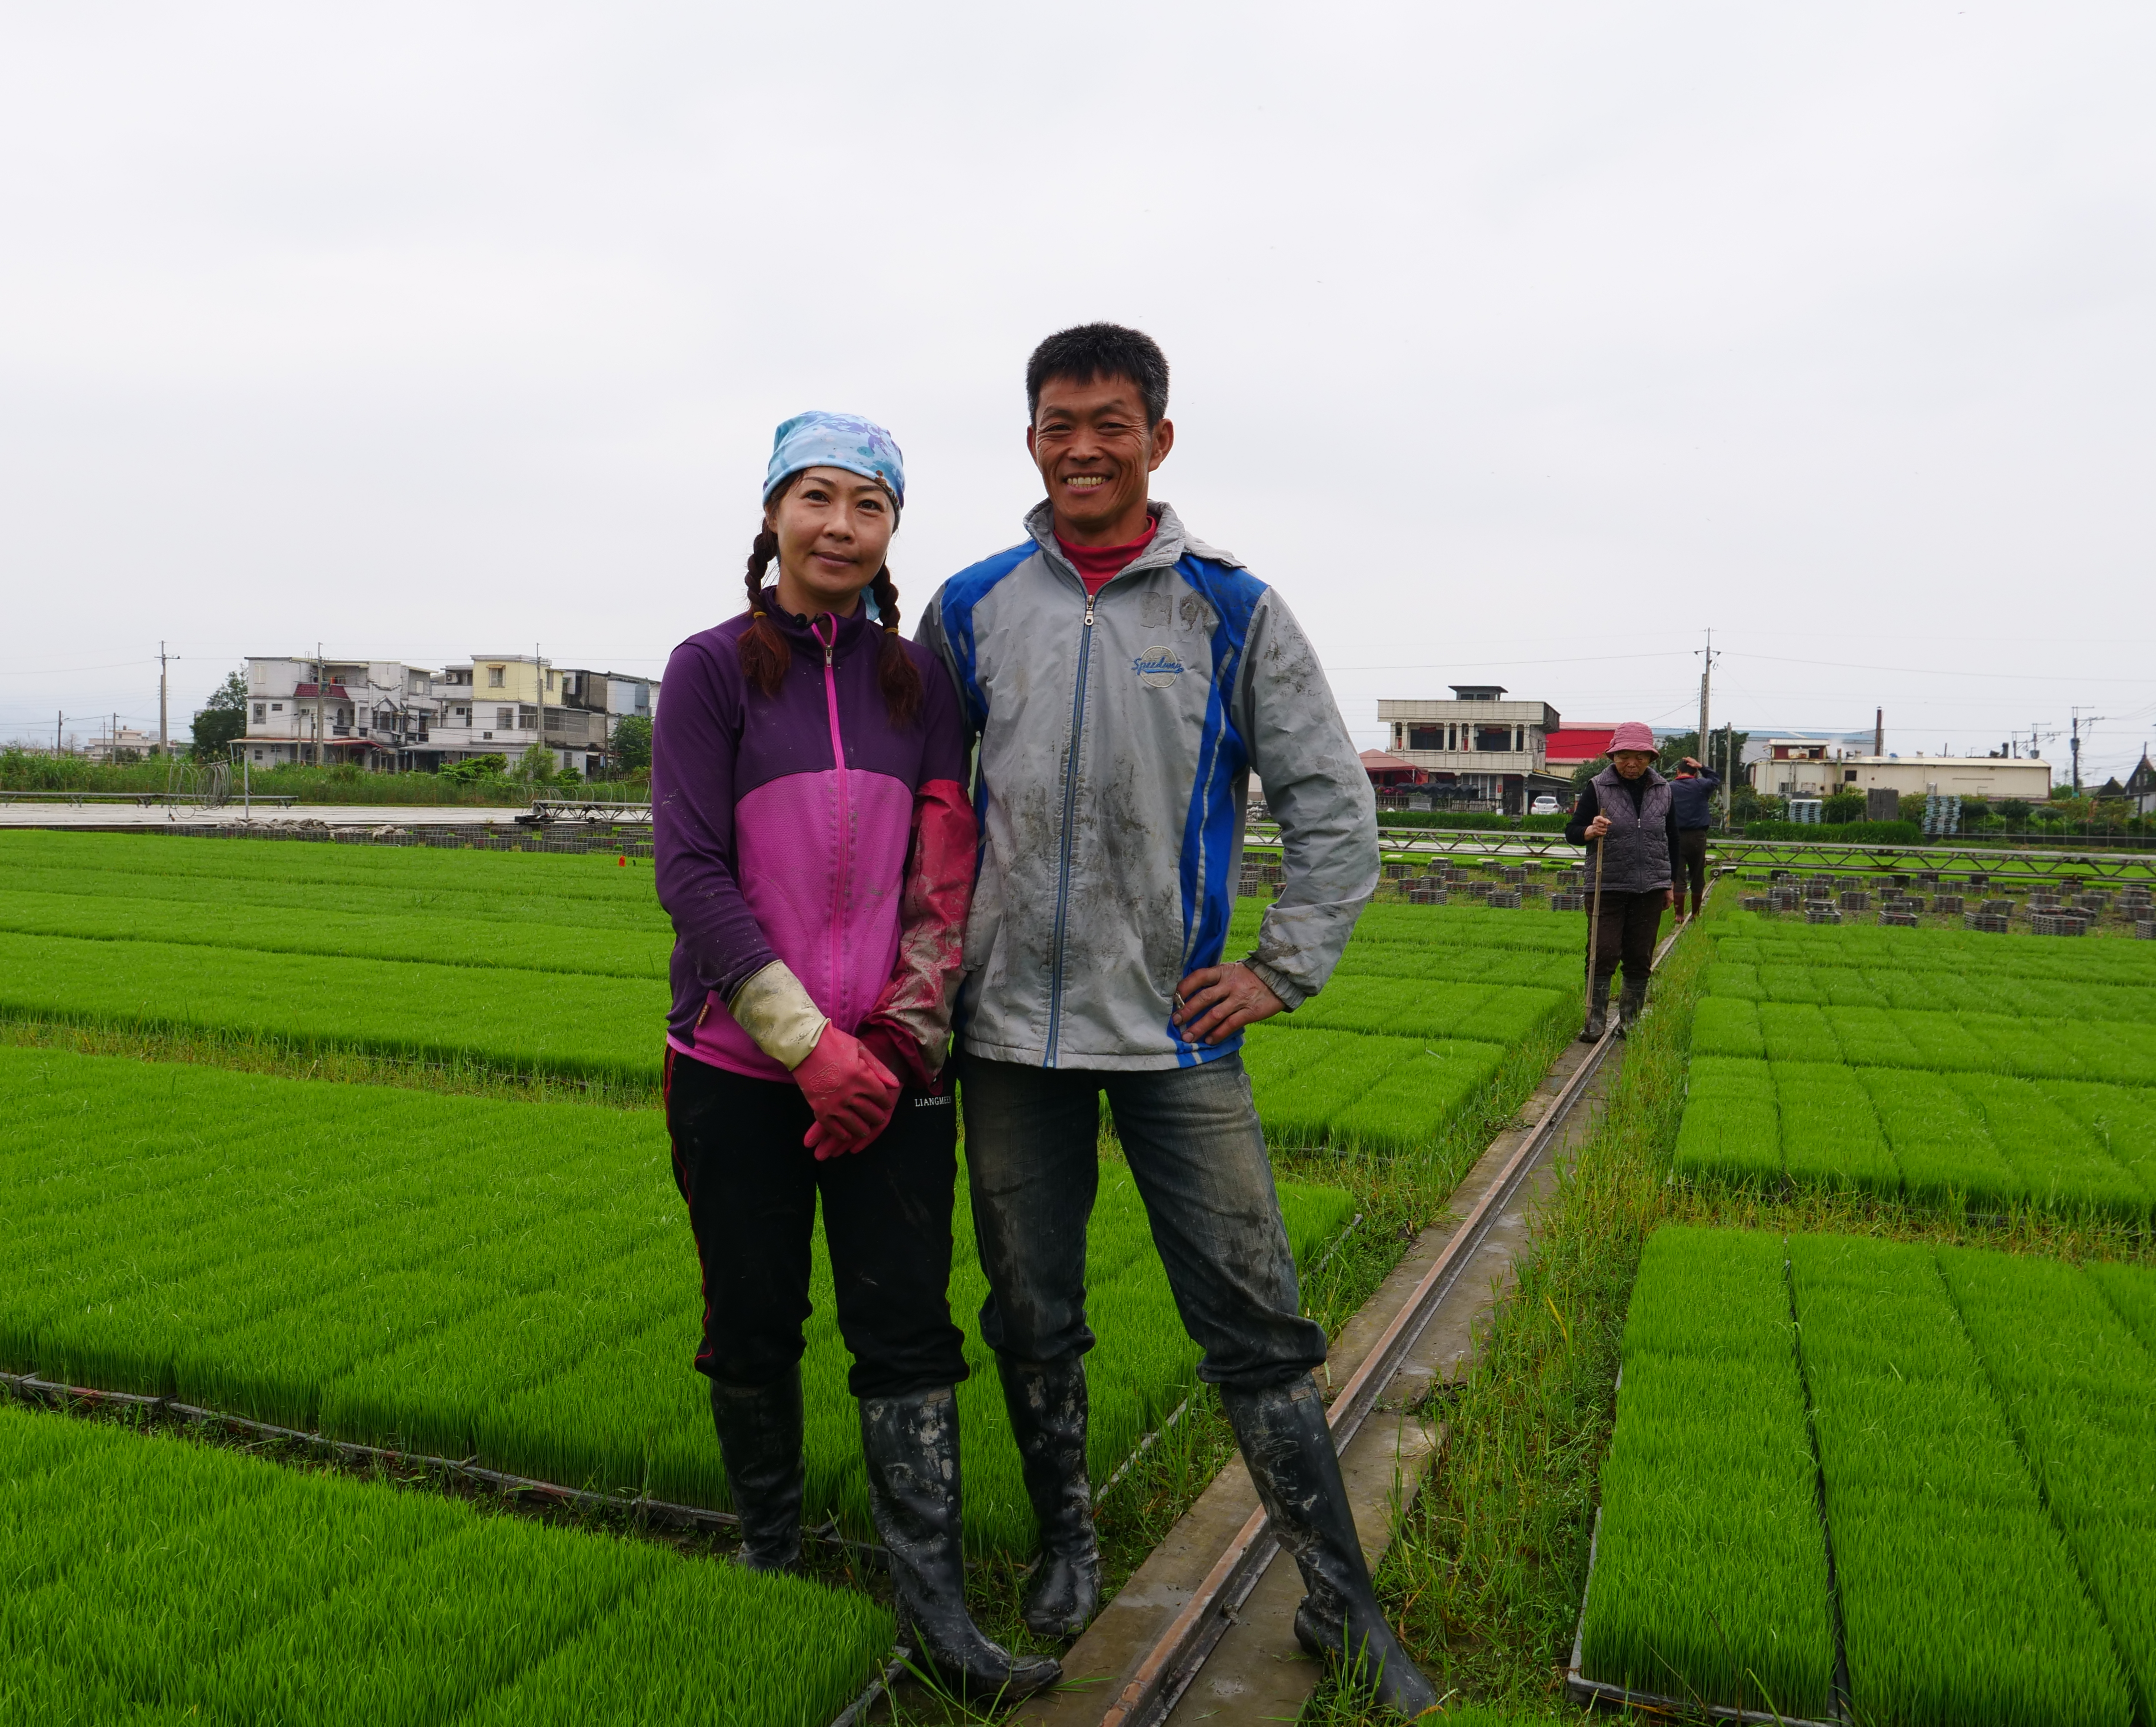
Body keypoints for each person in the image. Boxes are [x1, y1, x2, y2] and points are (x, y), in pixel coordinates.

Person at [919, 325, 1443, 1717]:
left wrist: (1280, 967)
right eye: (1058, 422)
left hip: (1176, 1035)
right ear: (1031, 439)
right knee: (1031, 1309)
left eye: (1110, 421)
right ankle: (1069, 1545)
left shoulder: (1231, 607)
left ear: (1158, 438)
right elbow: (927, 805)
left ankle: (1339, 1598)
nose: (1082, 445)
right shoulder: (970, 607)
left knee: (1256, 1317)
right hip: (1007, 1038)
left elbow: (1333, 806)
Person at [652, 412, 1060, 1704]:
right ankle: (771, 1559)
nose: (840, 526)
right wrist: (807, 1048)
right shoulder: (710, 672)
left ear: (893, 528)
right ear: (774, 514)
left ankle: (939, 1613)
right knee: (751, 1321)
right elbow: (692, 873)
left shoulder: (918, 683)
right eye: (817, 497)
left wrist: (887, 1045)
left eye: (868, 504)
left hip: (896, 1071)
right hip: (739, 1068)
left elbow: (947, 871)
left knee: (908, 1331)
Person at [1565, 722, 1679, 1039]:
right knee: (1602, 953)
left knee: (1640, 956)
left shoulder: (1663, 790)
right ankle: (1594, 1022)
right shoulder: (1597, 787)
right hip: (1607, 886)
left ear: (1651, 758)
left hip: (1650, 887)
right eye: (1624, 756)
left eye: (1640, 757)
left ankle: (1630, 1023)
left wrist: (1670, 883)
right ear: (1613, 757)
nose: (1632, 764)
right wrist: (1590, 831)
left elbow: (1672, 838)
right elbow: (1572, 831)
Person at [1667, 753, 1720, 920]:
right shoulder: (1702, 785)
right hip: (1698, 836)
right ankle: (1696, 914)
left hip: (1675, 837)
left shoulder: (1669, 788)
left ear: (1678, 771)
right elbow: (1716, 779)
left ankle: (1679, 915)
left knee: (1678, 875)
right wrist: (1701, 766)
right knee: (1697, 874)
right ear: (1695, 773)